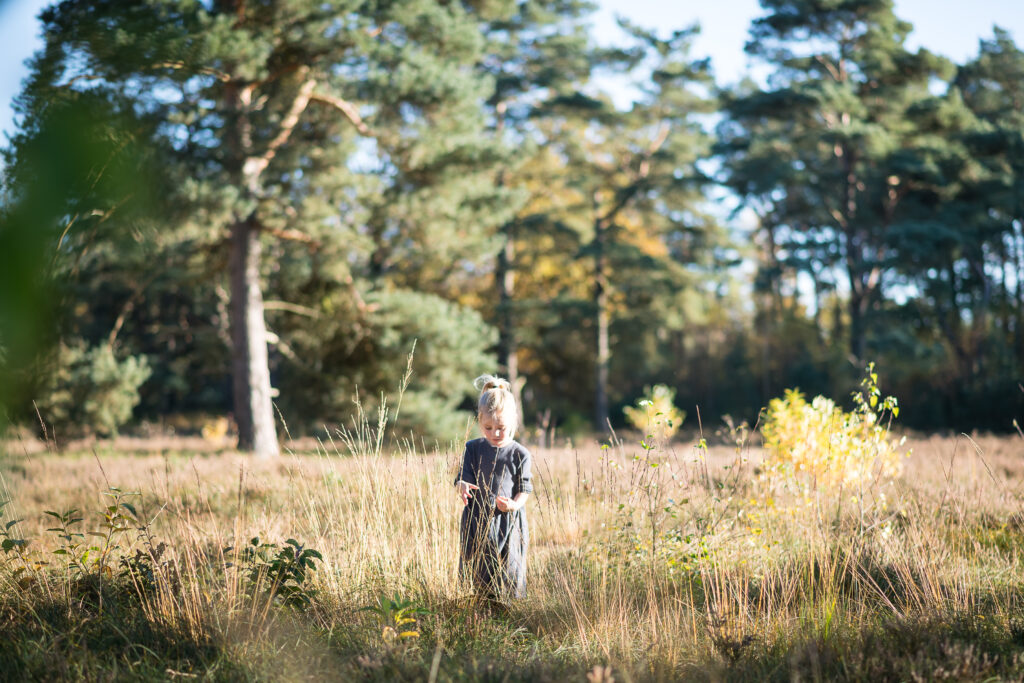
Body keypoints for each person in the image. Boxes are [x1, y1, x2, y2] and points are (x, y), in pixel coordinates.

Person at [455, 374, 533, 599]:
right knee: (478, 567)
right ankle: (481, 609)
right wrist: (461, 485)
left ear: (513, 422)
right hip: (476, 518)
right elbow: (464, 476)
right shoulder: (473, 448)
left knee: (510, 568)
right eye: (488, 427)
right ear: (480, 421)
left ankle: (509, 610)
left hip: (508, 520)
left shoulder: (520, 453)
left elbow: (524, 488)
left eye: (501, 427)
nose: (495, 433)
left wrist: (514, 504)